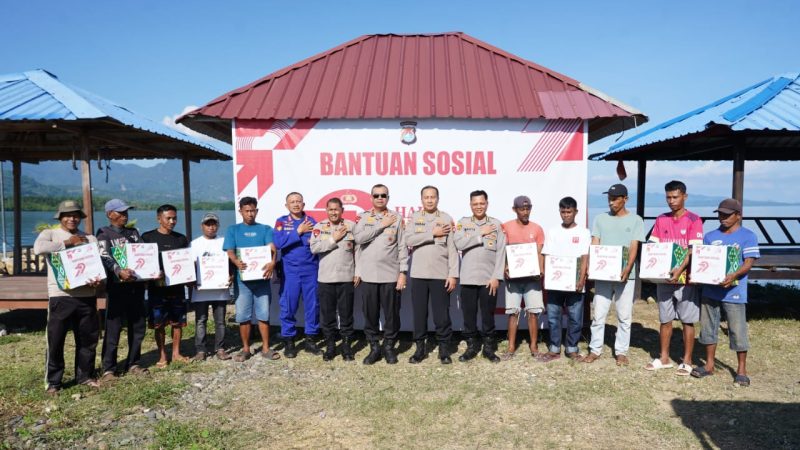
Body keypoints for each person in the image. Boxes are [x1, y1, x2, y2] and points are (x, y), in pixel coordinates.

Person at [34, 200, 102, 395]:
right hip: (60, 296)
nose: (72, 218)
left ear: (80, 217)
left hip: (87, 296)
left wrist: (98, 280)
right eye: (67, 215)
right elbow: (39, 248)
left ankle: (85, 376)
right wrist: (66, 243)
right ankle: (54, 382)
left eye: (75, 215)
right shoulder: (50, 234)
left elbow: (96, 262)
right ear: (60, 217)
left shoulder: (89, 238)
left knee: (88, 340)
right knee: (56, 341)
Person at [691, 198, 759, 387]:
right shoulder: (710, 236)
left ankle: (741, 370)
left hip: (734, 291)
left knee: (737, 330)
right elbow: (702, 259)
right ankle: (709, 365)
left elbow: (749, 262)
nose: (723, 218)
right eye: (720, 214)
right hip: (710, 290)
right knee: (707, 328)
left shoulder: (748, 236)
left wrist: (733, 275)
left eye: (727, 215)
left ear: (738, 215)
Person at [644, 181, 703, 375]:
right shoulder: (661, 219)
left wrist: (678, 271)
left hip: (685, 280)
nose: (671, 201)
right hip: (664, 280)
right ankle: (664, 357)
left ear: (684, 196)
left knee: (687, 320)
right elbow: (653, 247)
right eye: (668, 197)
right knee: (665, 319)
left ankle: (687, 361)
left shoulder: (694, 220)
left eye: (675, 197)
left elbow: (693, 250)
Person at [584, 184, 645, 366]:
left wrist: (628, 268)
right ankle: (595, 349)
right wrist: (592, 266)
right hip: (603, 275)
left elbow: (634, 246)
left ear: (625, 198)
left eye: (615, 198)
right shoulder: (600, 219)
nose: (611, 202)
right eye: (609, 198)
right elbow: (595, 242)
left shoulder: (636, 220)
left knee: (624, 315)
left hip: (626, 276)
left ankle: (621, 352)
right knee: (598, 313)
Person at [353, 184, 409, 365]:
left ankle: (389, 347)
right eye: (376, 195)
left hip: (390, 275)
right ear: (371, 198)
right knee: (370, 314)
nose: (379, 198)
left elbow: (402, 246)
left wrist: (403, 272)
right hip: (368, 275)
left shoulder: (396, 218)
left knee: (392, 314)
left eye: (383, 195)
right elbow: (359, 239)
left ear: (388, 198)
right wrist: (380, 225)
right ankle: (374, 347)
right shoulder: (362, 218)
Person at [404, 185, 459, 364]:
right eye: (426, 197)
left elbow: (452, 249)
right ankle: (420, 349)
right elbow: (408, 240)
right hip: (419, 274)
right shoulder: (414, 218)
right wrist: (431, 234)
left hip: (440, 275)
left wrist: (453, 275)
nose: (429, 200)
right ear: (421, 200)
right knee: (419, 315)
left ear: (437, 199)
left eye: (432, 197)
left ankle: (444, 350)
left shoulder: (445, 219)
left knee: (441, 315)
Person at [96, 199, 148, 379]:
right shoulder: (103, 233)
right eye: (120, 212)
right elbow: (104, 256)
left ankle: (134, 363)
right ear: (110, 214)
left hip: (137, 287)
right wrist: (118, 271)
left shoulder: (133, 233)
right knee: (113, 327)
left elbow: (144, 253)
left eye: (126, 212)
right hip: (117, 288)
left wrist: (153, 271)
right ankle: (109, 368)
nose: (125, 215)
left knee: (138, 326)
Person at [223, 197, 278, 362]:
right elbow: (230, 251)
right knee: (243, 316)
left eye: (252, 210)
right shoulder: (233, 230)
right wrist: (235, 261)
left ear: (257, 211)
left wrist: (272, 262)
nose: (250, 214)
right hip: (242, 281)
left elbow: (271, 248)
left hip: (261, 280)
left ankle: (266, 348)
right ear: (240, 211)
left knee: (264, 315)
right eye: (246, 211)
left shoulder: (265, 229)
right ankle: (246, 349)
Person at [453, 190, 504, 363]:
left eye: (482, 203)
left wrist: (496, 276)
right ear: (470, 205)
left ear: (487, 203)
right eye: (475, 204)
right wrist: (480, 233)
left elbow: (501, 252)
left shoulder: (496, 224)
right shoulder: (463, 223)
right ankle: (471, 347)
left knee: (488, 315)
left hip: (488, 279)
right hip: (468, 278)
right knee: (469, 315)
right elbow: (458, 243)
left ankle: (488, 348)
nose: (479, 206)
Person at [539, 196, 590, 362]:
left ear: (576, 212)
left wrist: (582, 279)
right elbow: (547, 255)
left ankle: (572, 348)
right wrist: (547, 277)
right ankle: (554, 348)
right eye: (563, 212)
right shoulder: (553, 231)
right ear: (559, 212)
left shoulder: (583, 232)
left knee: (575, 317)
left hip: (575, 283)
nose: (566, 215)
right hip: (555, 283)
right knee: (554, 317)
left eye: (569, 211)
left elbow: (584, 257)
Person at [141, 204, 191, 368]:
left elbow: (186, 263)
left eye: (174, 218)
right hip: (157, 289)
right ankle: (162, 355)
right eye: (168, 218)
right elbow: (143, 263)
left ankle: (176, 353)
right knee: (159, 324)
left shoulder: (181, 238)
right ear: (159, 219)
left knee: (178, 322)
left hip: (177, 288)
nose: (172, 221)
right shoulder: (147, 238)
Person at [309, 198, 358, 361]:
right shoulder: (319, 227)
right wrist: (333, 239)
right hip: (326, 279)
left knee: (346, 316)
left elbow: (358, 251)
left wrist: (358, 272)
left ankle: (346, 347)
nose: (333, 212)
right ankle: (330, 347)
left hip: (346, 277)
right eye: (330, 209)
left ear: (342, 210)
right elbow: (314, 248)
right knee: (327, 316)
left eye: (336, 209)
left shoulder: (351, 226)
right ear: (326, 210)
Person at [274, 192, 321, 357]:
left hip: (311, 271)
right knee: (288, 306)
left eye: (298, 201)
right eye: (292, 202)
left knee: (313, 306)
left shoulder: (313, 222)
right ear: (287, 206)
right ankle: (289, 342)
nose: (295, 204)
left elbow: (319, 244)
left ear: (303, 204)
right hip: (290, 273)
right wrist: (298, 232)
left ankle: (310, 340)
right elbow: (278, 243)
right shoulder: (282, 222)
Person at [501, 195, 546, 360]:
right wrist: (505, 267)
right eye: (522, 208)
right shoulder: (505, 227)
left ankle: (533, 347)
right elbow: (502, 251)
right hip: (513, 279)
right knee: (513, 313)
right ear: (515, 209)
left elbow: (540, 253)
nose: (525, 212)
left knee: (533, 312)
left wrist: (541, 270)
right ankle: (511, 347)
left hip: (532, 280)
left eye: (528, 208)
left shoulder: (537, 229)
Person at [190, 213, 232, 362]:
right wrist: (192, 280)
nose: (211, 227)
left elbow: (230, 262)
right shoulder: (195, 244)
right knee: (200, 320)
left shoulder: (224, 242)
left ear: (218, 226)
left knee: (220, 321)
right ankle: (201, 350)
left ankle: (220, 348)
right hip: (201, 290)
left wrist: (231, 275)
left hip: (220, 289)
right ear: (202, 226)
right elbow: (190, 266)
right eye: (208, 224)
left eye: (214, 224)